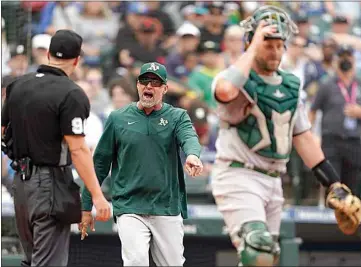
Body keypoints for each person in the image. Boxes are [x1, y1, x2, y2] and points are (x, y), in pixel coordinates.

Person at [210, 6, 361, 267]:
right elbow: (224, 91)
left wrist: (333, 183)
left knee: (267, 259)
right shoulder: (233, 77)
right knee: (258, 251)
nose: (276, 51)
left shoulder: (289, 84)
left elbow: (302, 135)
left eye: (280, 45)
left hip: (273, 180)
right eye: (268, 44)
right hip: (239, 175)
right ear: (251, 42)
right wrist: (254, 44)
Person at [1, 29, 111, 267]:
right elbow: (78, 149)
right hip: (49, 186)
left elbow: (3, 132)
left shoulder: (18, 85)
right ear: (77, 59)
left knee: (32, 261)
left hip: (20, 185)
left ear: (48, 54)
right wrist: (97, 195)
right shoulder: (71, 93)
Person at [80, 62, 204, 266]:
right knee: (136, 262)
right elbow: (99, 164)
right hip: (130, 205)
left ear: (165, 89)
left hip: (166, 206)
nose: (149, 86)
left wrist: (192, 155)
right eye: (144, 81)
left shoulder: (177, 116)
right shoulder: (118, 118)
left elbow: (189, 137)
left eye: (155, 82)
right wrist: (86, 206)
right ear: (137, 85)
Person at [309, 44, 361, 198]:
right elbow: (312, 111)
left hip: (355, 141)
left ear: (354, 59)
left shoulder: (359, 83)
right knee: (333, 183)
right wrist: (311, 136)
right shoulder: (326, 84)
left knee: (354, 185)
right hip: (331, 140)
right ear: (336, 61)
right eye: (342, 57)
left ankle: (354, 219)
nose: (346, 60)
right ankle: (330, 219)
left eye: (348, 57)